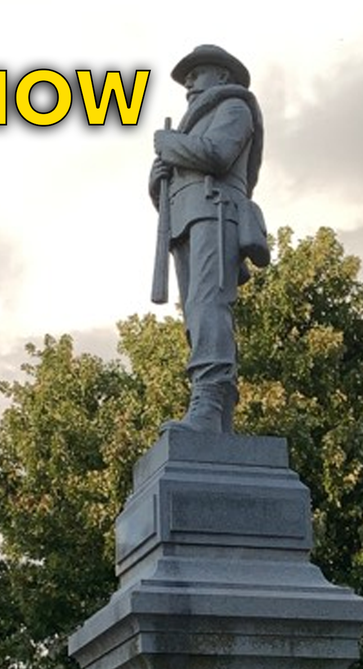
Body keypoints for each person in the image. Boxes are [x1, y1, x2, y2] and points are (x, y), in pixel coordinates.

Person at [148, 44, 268, 434]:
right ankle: (215, 414)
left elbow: (217, 155)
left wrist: (170, 146)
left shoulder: (234, 108)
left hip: (217, 212)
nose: (189, 84)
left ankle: (210, 401)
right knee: (195, 316)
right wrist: (157, 180)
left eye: (197, 74)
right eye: (187, 77)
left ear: (222, 76)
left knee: (208, 305)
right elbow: (175, 188)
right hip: (187, 220)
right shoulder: (190, 127)